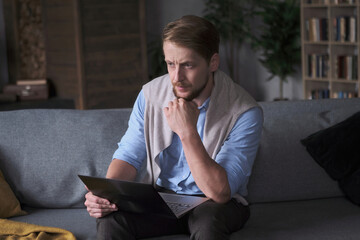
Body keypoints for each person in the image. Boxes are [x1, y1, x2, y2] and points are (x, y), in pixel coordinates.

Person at [85, 15, 263, 240]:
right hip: (162, 199)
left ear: (213, 62)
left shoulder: (244, 112)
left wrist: (188, 132)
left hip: (214, 204)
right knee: (111, 220)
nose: (177, 77)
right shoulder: (150, 95)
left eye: (188, 65)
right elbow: (129, 155)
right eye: (171, 64)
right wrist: (105, 194)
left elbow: (220, 192)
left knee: (209, 224)